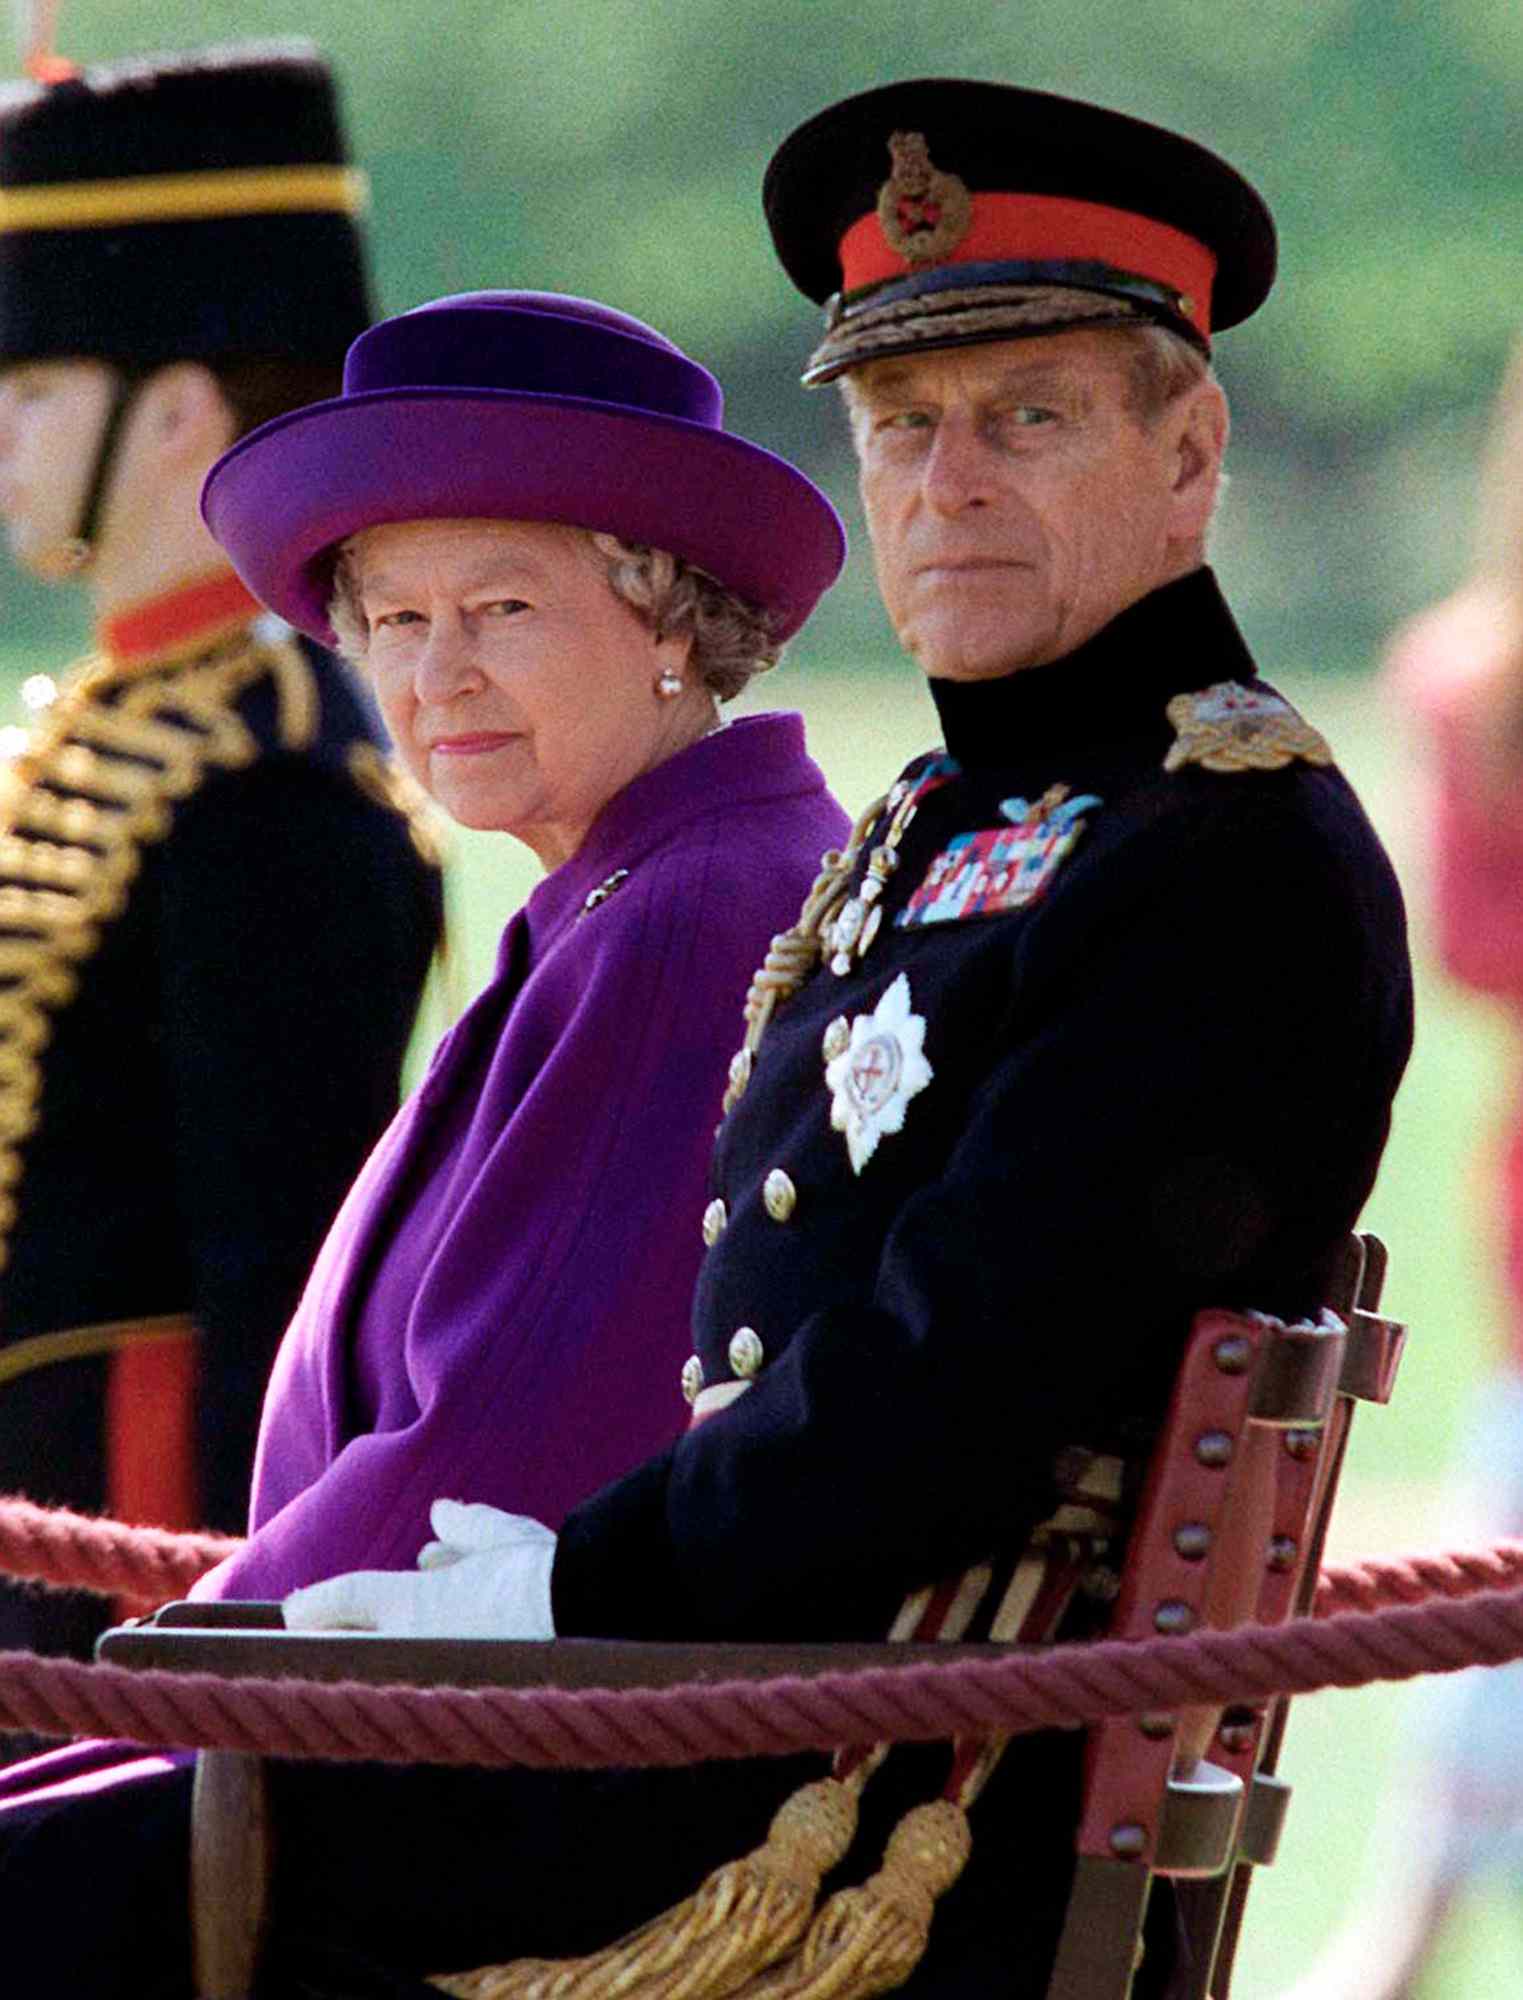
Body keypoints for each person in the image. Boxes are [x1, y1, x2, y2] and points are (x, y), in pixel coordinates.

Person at [8, 84, 1413, 2000]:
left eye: (1029, 420)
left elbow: (945, 1389)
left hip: (839, 1799)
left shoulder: (1216, 848)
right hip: (733, 1724)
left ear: (1191, 453)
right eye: (902, 428)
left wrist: (549, 1596)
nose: (949, 484)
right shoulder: (948, 825)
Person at [0, 284, 849, 1992]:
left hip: (485, 1780)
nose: (429, 672)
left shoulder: (690, 912)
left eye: (502, 607)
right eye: (387, 617)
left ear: (673, 613)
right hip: (398, 1725)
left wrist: (164, 1673)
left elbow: (501, 1445)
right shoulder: (619, 888)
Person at [0, 40, 445, 1663]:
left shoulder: (269, 782)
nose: (5, 433)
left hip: (127, 1516)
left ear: (179, 409)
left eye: (37, 391)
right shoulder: (108, 729)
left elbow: (277, 1262)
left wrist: (220, 1613)